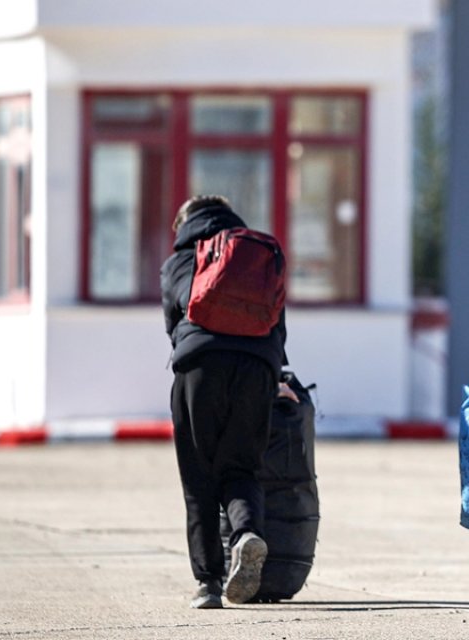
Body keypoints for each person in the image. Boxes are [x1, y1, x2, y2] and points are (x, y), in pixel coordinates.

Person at [161, 195, 289, 609]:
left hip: (200, 368)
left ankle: (208, 583)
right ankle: (245, 533)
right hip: (258, 368)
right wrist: (278, 375)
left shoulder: (182, 258)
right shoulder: (258, 252)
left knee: (199, 476)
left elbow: (176, 319)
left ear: (184, 223)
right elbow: (276, 322)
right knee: (242, 466)